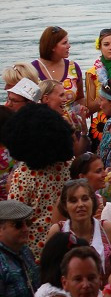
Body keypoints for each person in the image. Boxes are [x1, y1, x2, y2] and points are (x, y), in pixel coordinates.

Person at [4, 104, 74, 256]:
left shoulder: (23, 175)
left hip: (35, 253)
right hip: (68, 245)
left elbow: (14, 216)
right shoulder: (70, 166)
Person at [46, 179, 111, 280]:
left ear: (93, 201)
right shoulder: (57, 231)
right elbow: (48, 274)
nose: (80, 205)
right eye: (73, 200)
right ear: (65, 206)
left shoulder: (108, 229)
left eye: (85, 199)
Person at [32, 26, 87, 124]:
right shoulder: (33, 70)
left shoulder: (73, 67)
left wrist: (81, 113)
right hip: (42, 127)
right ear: (52, 46)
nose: (69, 46)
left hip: (72, 129)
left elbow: (80, 98)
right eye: (64, 43)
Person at [85, 28, 111, 143]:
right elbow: (90, 107)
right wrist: (108, 98)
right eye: (106, 44)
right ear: (100, 46)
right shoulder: (92, 73)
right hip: (101, 123)